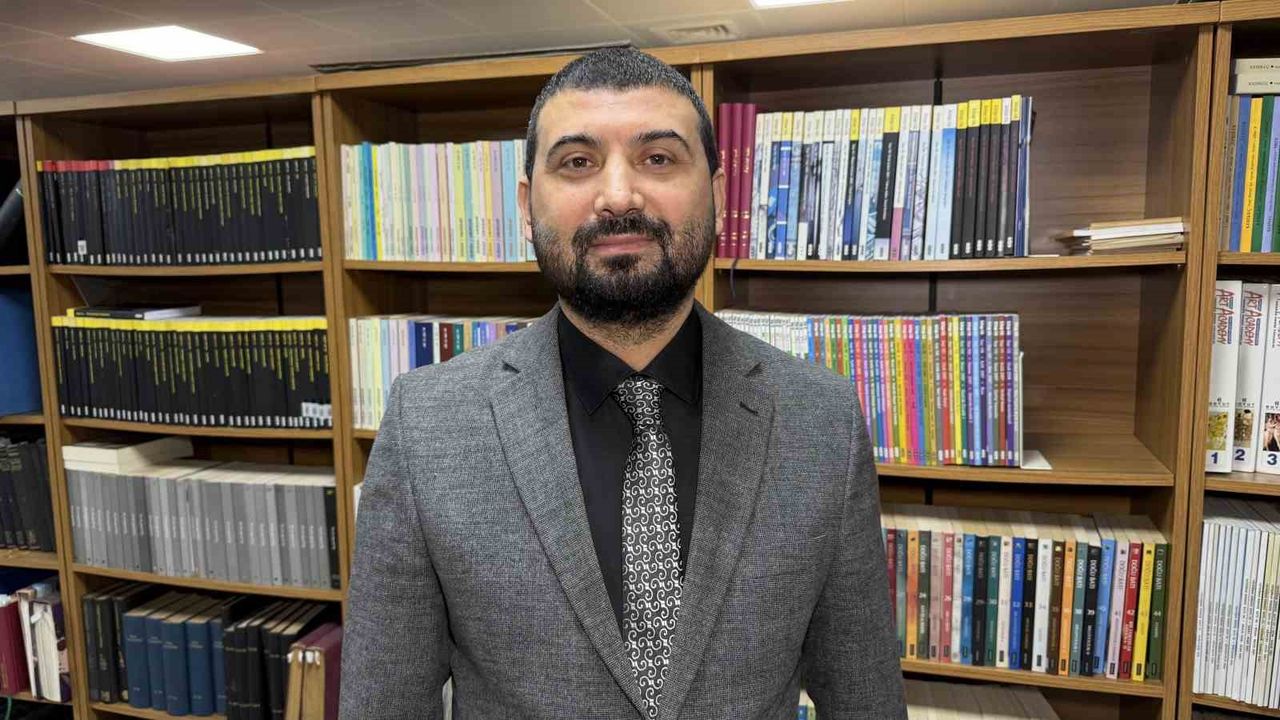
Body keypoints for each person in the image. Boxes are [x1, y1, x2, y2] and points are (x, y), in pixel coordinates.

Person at [339, 47, 905, 720]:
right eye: (577, 163)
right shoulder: (427, 425)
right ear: (527, 206)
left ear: (719, 195)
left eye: (658, 158)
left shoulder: (823, 420)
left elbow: (864, 697)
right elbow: (384, 703)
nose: (617, 197)